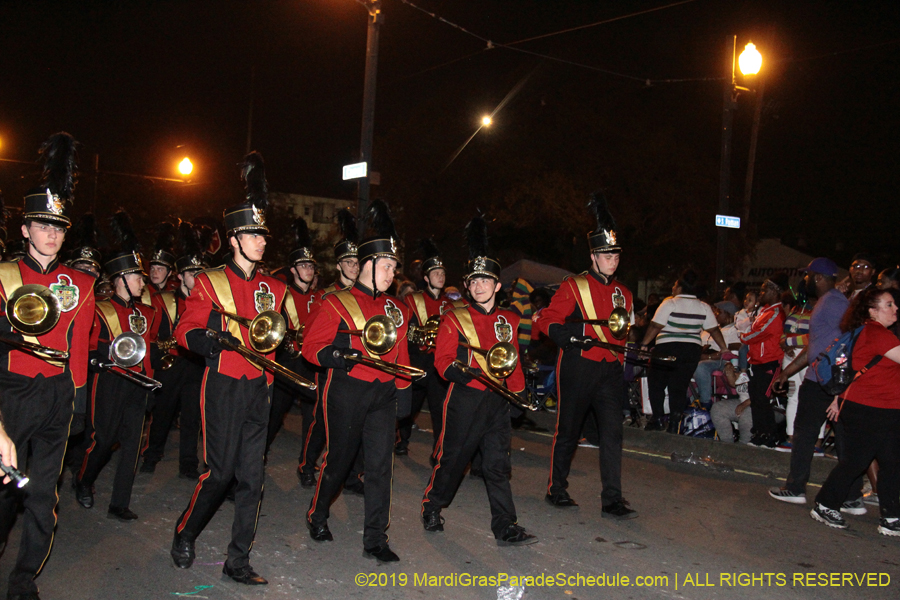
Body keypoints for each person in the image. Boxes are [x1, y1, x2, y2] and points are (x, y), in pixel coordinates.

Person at [170, 152, 294, 585]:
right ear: (234, 239)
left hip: (260, 385)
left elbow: (284, 333)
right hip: (222, 383)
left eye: (262, 233)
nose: (262, 240)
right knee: (219, 473)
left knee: (252, 478)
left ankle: (237, 559)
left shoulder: (275, 287)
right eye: (253, 234)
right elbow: (185, 328)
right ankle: (186, 531)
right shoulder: (208, 280)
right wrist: (205, 340)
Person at [0, 133, 96, 600]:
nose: (52, 233)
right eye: (42, 225)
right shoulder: (2, 275)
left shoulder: (80, 281)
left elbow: (79, 344)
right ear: (25, 229)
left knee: (43, 494)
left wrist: (78, 398)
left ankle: (23, 579)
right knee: (3, 490)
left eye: (58, 226)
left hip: (58, 393)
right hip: (12, 390)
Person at [302, 199, 411, 563]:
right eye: (387, 265)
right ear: (368, 264)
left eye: (395, 266)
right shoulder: (336, 302)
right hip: (346, 390)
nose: (392, 272)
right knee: (340, 461)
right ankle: (317, 514)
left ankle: (376, 539)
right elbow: (310, 348)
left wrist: (404, 393)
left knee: (380, 467)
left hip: (382, 394)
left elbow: (402, 355)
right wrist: (335, 355)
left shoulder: (397, 309)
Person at [421, 215, 536, 546]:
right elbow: (442, 361)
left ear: (498, 285)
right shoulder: (453, 318)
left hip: (498, 402)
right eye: (474, 281)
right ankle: (432, 505)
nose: (479, 285)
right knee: (453, 461)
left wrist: (519, 397)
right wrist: (459, 371)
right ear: (468, 286)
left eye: (486, 280)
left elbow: (513, 363)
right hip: (465, 399)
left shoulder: (510, 320)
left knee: (498, 467)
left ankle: (505, 525)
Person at [534, 192, 636, 518]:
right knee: (569, 430)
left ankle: (612, 499)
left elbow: (622, 333)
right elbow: (546, 320)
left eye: (616, 254)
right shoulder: (573, 286)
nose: (612, 259)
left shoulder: (625, 293)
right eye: (606, 254)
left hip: (609, 370)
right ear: (593, 255)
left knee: (612, 434)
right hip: (578, 365)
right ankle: (557, 489)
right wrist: (570, 337)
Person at [75, 210, 157, 522]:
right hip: (109, 382)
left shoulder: (148, 312)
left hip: (139, 383)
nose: (142, 281)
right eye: (136, 277)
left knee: (132, 445)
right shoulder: (99, 310)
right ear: (120, 279)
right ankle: (84, 480)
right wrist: (98, 359)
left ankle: (119, 503)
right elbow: (86, 344)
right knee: (104, 439)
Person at [768, 258, 864, 508]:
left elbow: (851, 337)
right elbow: (815, 345)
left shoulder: (832, 303)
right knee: (843, 438)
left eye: (808, 276)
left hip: (823, 379)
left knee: (805, 434)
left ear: (819, 278)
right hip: (828, 377)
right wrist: (786, 372)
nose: (805, 281)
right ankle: (851, 497)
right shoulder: (828, 302)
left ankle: (796, 488)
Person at [809, 287, 900, 536]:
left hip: (886, 408)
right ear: (873, 310)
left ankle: (892, 516)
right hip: (870, 409)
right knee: (857, 461)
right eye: (889, 304)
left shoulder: (876, 333)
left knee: (892, 463)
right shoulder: (877, 333)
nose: (895, 309)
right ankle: (826, 504)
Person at [297, 208, 359, 487]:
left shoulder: (366, 297)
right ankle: (307, 464)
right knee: (322, 421)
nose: (354, 266)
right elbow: (312, 334)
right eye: (348, 261)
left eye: (358, 261)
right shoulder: (325, 295)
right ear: (338, 266)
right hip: (331, 365)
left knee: (355, 425)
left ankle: (351, 475)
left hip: (357, 368)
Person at [139, 221, 207, 478]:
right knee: (163, 414)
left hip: (196, 365)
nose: (197, 279)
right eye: (192, 274)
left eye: (200, 273)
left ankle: (188, 464)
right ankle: (151, 456)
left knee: (192, 418)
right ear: (179, 276)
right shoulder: (161, 300)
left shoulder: (206, 303)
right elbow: (151, 335)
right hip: (170, 364)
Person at [396, 238, 461, 458]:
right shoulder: (412, 300)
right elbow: (404, 331)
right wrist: (420, 336)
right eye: (436, 273)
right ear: (426, 278)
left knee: (440, 410)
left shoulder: (452, 305)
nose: (440, 276)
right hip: (418, 360)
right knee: (409, 407)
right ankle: (401, 439)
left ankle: (439, 451)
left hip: (439, 365)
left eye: (442, 273)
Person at [640, 270, 727, 431]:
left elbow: (655, 325)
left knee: (656, 383)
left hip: (667, 347)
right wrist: (723, 347)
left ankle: (658, 418)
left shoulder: (669, 303)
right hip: (691, 350)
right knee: (679, 386)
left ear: (680, 287)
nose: (673, 288)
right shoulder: (703, 306)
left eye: (674, 285)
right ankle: (674, 423)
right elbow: (714, 330)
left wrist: (644, 344)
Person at [267, 217, 319, 457]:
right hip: (287, 363)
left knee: (312, 418)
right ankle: (258, 455)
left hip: (311, 365)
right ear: (293, 269)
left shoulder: (320, 298)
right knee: (274, 415)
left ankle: (306, 464)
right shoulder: (281, 295)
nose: (309, 270)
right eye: (304, 266)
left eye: (311, 266)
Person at [741, 273, 788, 448]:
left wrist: (743, 336)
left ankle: (770, 435)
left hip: (769, 361)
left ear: (774, 291)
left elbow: (758, 334)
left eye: (764, 290)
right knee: (756, 398)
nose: (761, 294)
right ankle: (760, 432)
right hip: (757, 362)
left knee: (763, 398)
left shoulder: (776, 313)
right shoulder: (766, 311)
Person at [692, 301, 742, 409]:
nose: (715, 314)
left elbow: (732, 353)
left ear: (728, 314)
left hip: (721, 360)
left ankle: (705, 403)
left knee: (701, 366)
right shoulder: (708, 330)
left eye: (719, 312)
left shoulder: (733, 330)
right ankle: (688, 401)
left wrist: (709, 357)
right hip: (702, 356)